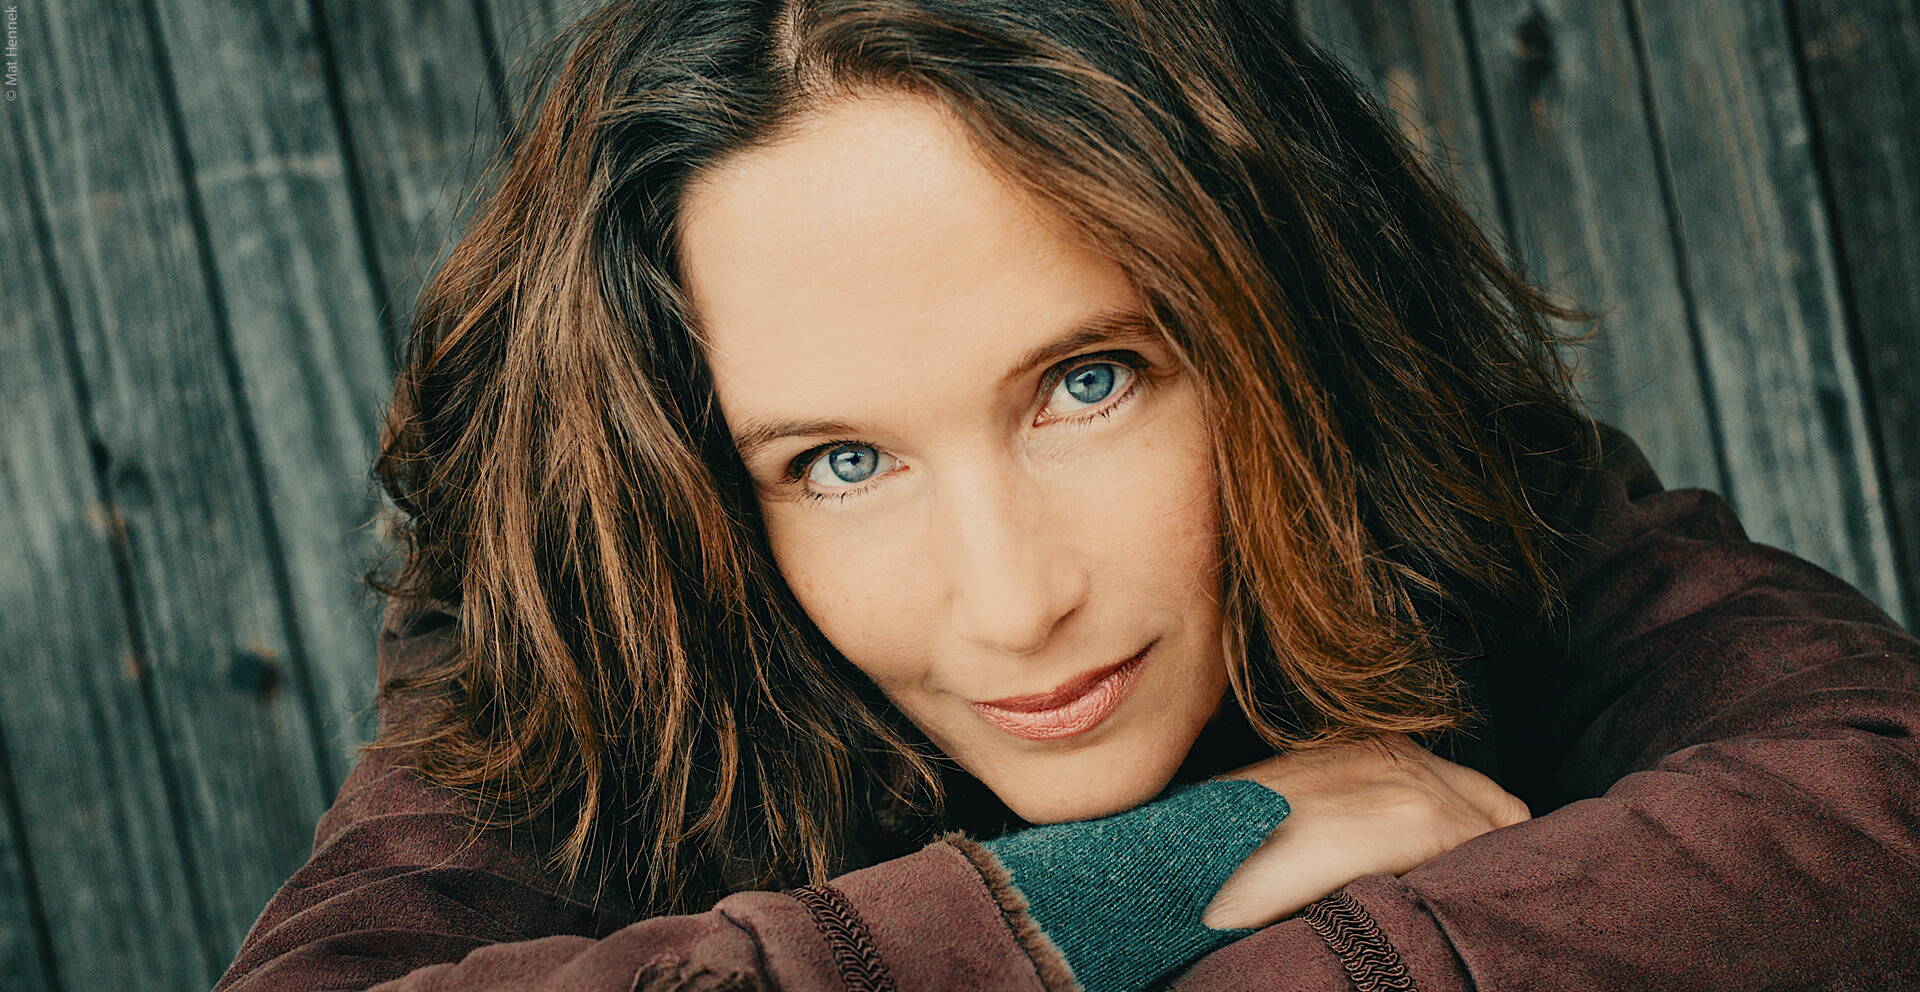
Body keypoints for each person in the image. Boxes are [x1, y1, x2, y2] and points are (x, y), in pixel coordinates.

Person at [213, 1, 1920, 989]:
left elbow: (1875, 795)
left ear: (1278, 332)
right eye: (840, 463)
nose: (1015, 601)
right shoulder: (585, 635)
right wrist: (1120, 896)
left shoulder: (1436, 489)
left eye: (1088, 383)